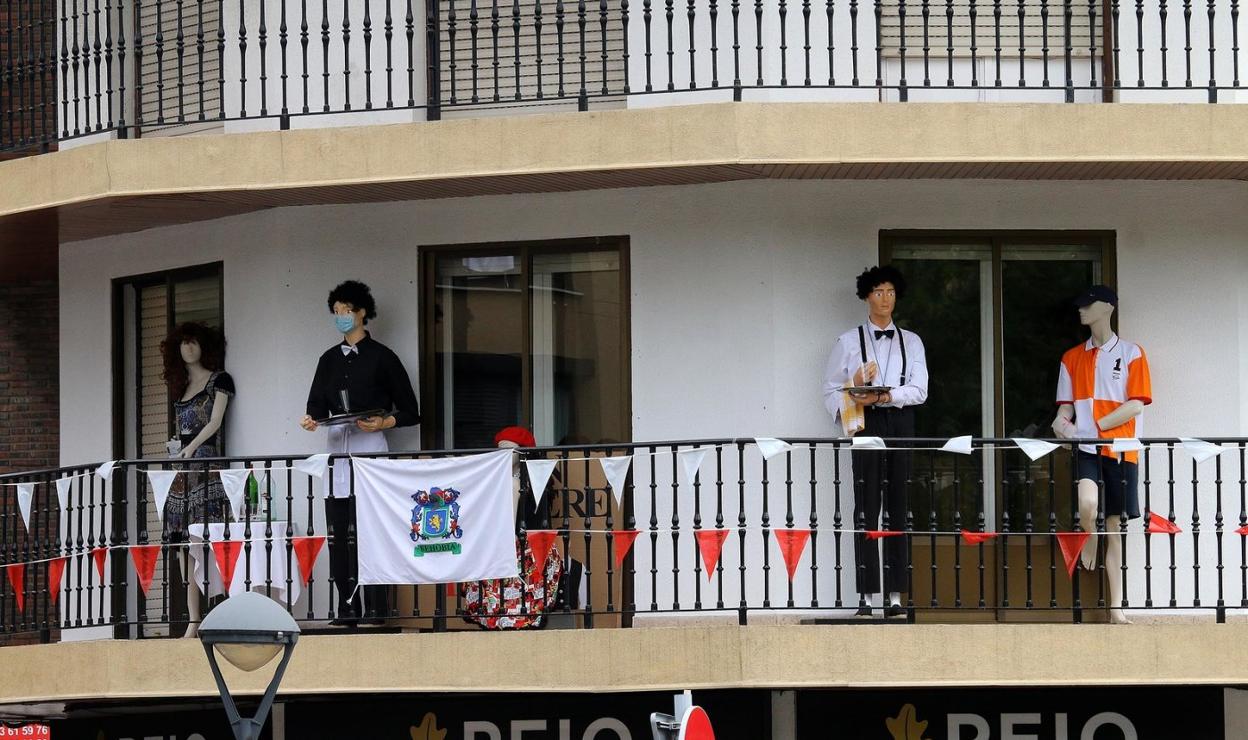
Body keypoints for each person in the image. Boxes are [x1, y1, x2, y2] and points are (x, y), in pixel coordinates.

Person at [300, 280, 420, 625]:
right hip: (337, 451)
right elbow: (315, 405)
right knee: (340, 534)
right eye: (336, 311)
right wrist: (310, 420)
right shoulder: (327, 360)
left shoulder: (383, 357)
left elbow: (411, 411)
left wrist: (384, 422)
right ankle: (347, 607)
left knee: (373, 531)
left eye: (347, 310)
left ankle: (378, 608)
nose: (341, 316)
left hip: (370, 450)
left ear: (363, 312)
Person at [823, 265, 929, 617]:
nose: (886, 299)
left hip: (900, 421)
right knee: (866, 504)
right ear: (867, 296)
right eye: (879, 292)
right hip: (866, 423)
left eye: (891, 292)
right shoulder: (848, 341)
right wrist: (854, 384)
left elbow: (920, 390)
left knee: (899, 503)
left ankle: (896, 596)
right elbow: (830, 392)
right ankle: (867, 597)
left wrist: (884, 396)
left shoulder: (911, 341)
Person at [1051, 284, 1151, 624]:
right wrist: (1062, 425)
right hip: (1087, 449)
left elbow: (1136, 404)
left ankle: (1116, 607)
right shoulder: (1071, 357)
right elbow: (1065, 409)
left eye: (1088, 305)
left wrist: (1098, 425)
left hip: (1121, 450)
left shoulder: (1132, 353)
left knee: (1116, 530)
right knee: (1087, 505)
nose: (1081, 310)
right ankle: (1089, 536)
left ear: (1107, 307)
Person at [159, 322, 235, 638]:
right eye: (184, 343)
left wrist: (192, 447)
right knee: (182, 544)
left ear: (205, 346)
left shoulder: (219, 380)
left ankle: (223, 609)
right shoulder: (181, 387)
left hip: (207, 464)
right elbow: (181, 429)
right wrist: (177, 447)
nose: (189, 348)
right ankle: (193, 617)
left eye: (194, 342)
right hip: (182, 470)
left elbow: (215, 421)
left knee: (212, 537)